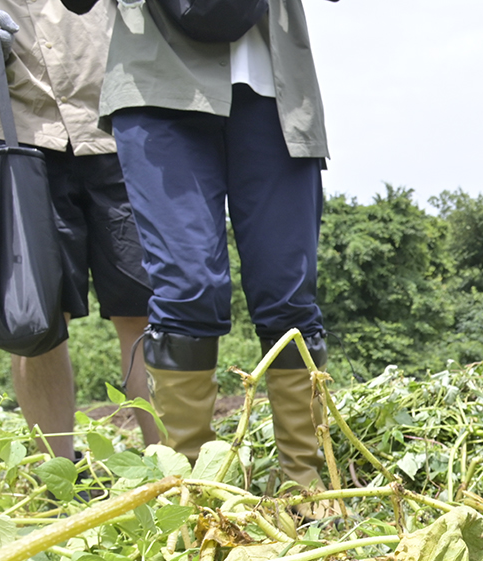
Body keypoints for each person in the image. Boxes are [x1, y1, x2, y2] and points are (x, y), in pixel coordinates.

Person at [59, 0, 331, 491]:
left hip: (276, 89)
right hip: (155, 85)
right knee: (187, 287)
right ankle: (191, 487)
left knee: (288, 292)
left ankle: (304, 477)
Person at [0, 0, 158, 458]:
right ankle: (61, 484)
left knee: (146, 309)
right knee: (35, 318)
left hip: (120, 116)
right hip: (12, 127)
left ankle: (174, 475)